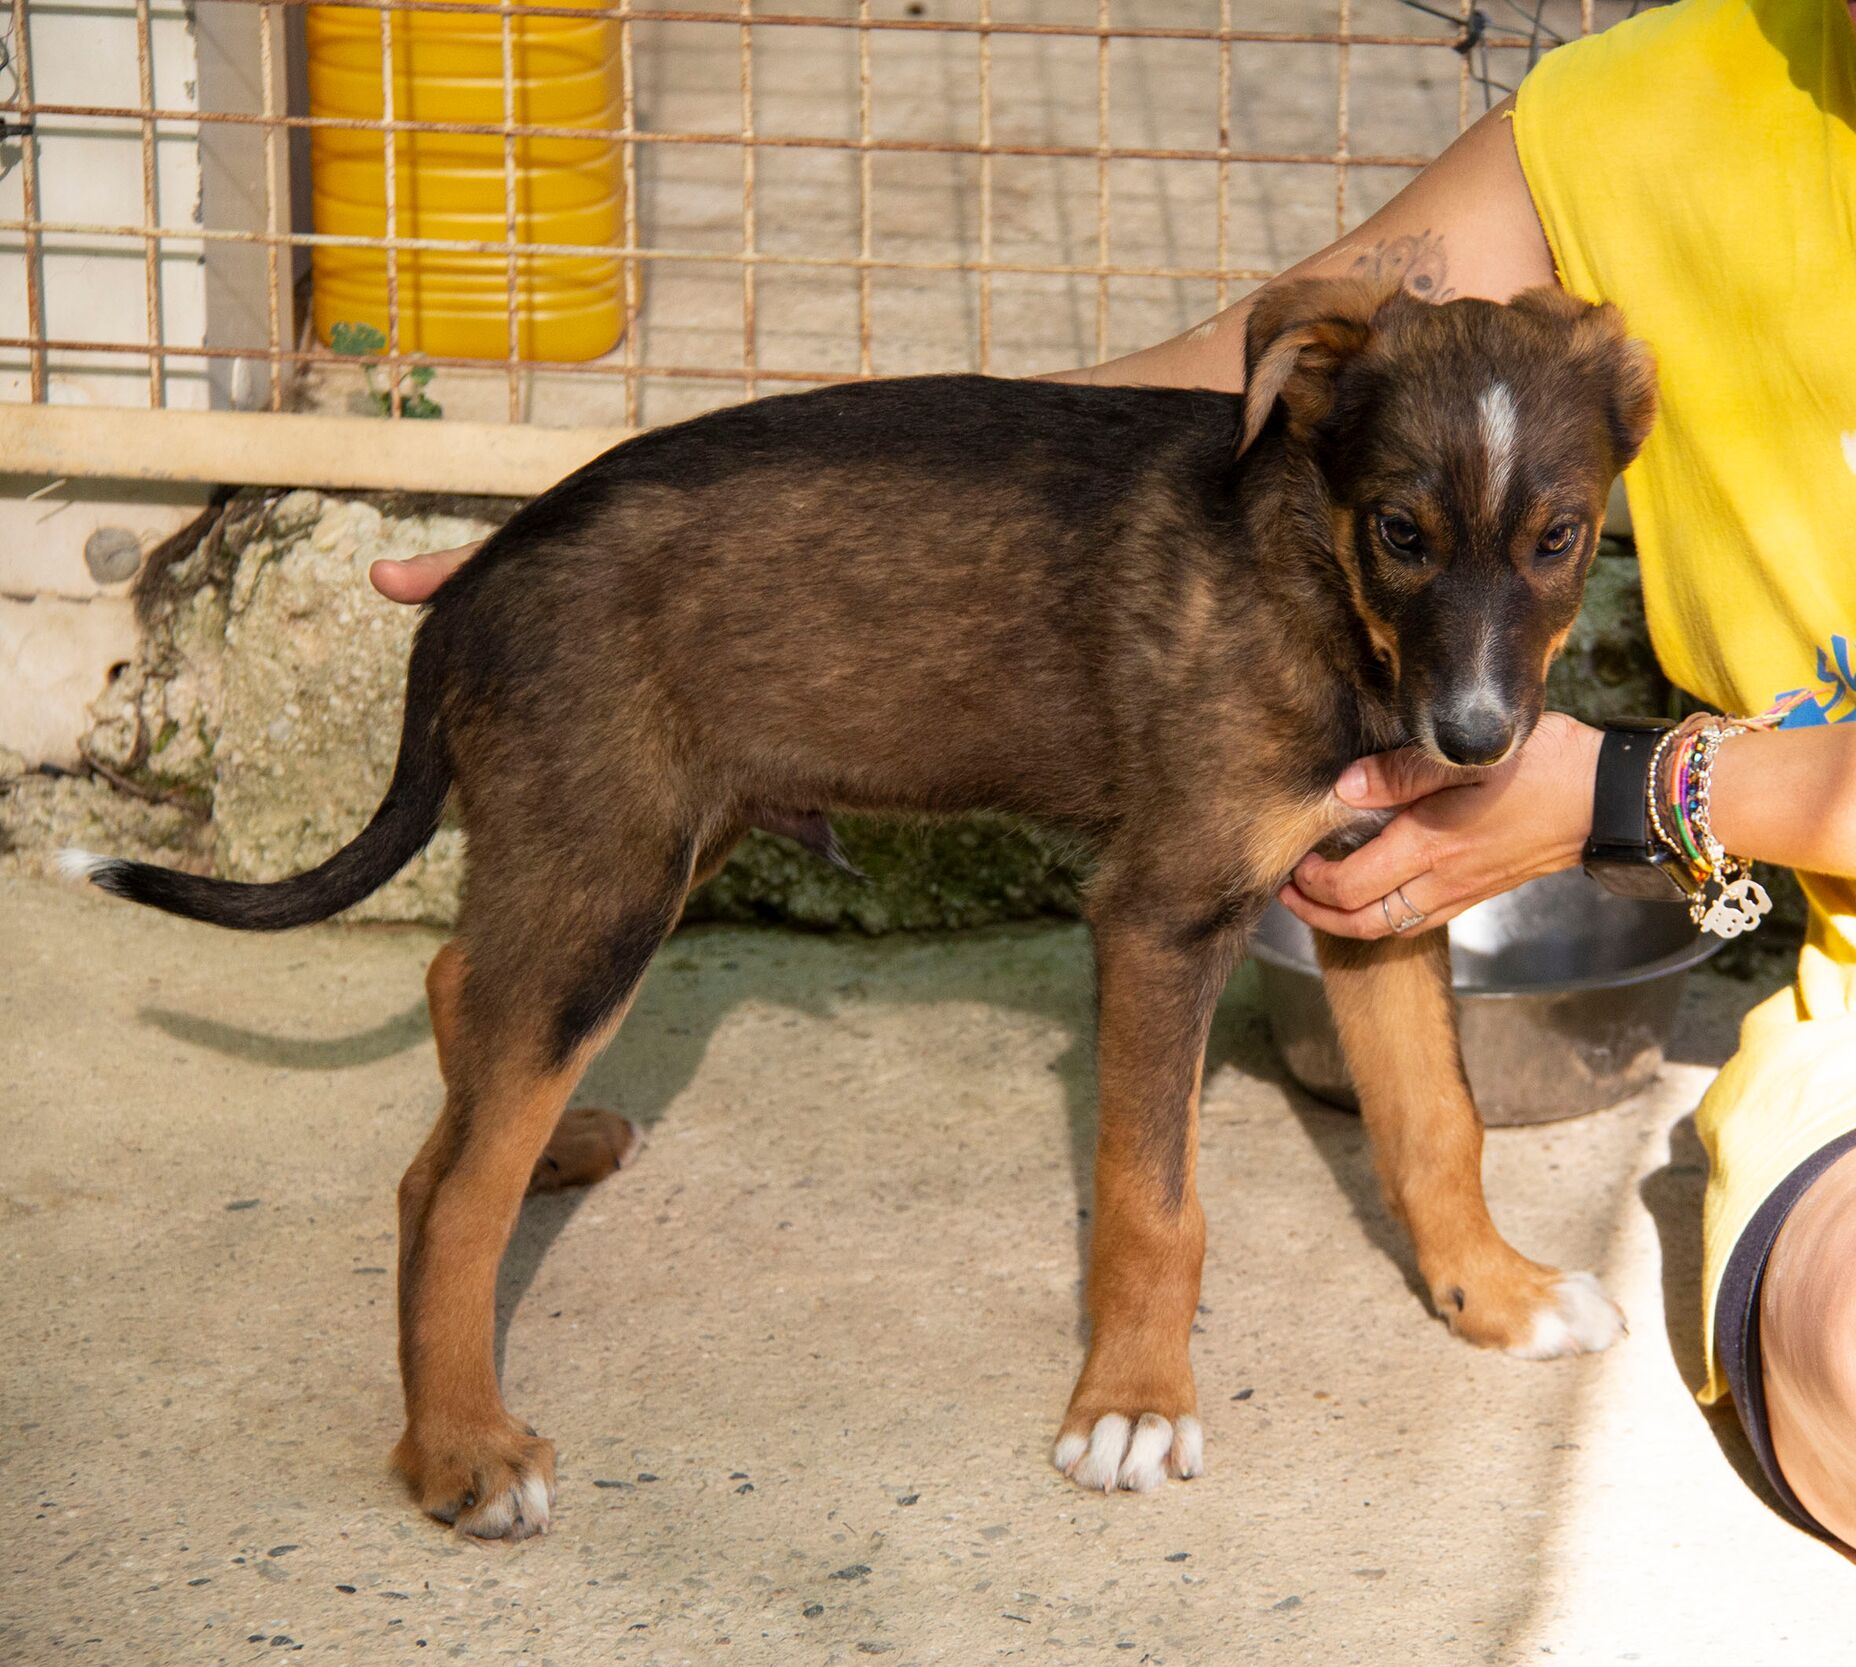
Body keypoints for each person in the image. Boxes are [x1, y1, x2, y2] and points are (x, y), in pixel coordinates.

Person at [370, 0, 1856, 1546]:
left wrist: (1633, 792)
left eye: (1554, 549)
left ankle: (1458, 1245)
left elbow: (1375, 884)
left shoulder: (1411, 562)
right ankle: (450, 1393)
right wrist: (608, 544)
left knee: (569, 966)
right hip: (641, 611)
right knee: (578, 959)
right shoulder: (1663, 103)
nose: (1477, 696)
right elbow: (1191, 397)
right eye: (1407, 544)